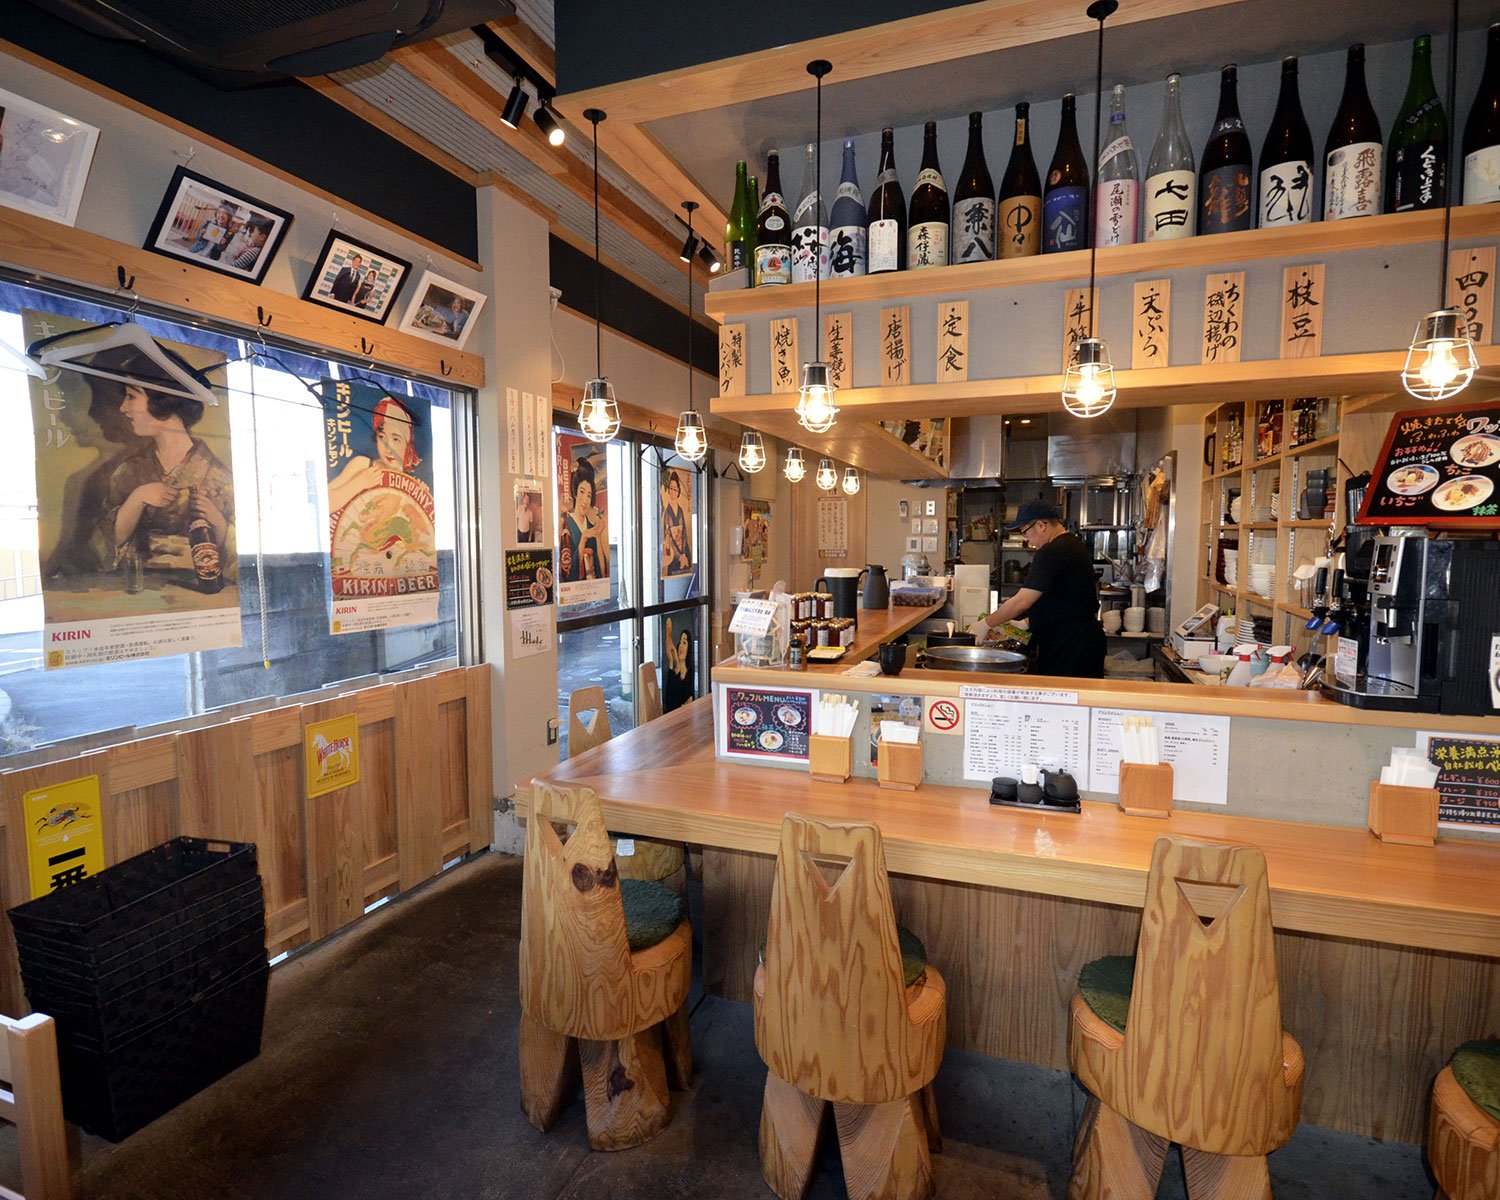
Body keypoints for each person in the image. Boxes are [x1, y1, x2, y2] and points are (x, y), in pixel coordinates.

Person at [100, 351, 234, 584]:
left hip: (199, 588)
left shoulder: (218, 476)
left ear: (162, 399)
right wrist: (137, 499)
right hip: (139, 587)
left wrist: (219, 523)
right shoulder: (128, 471)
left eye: (131, 396)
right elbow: (110, 543)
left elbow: (235, 556)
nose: (123, 408)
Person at [968, 500, 1105, 678]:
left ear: (1041, 525)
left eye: (1024, 532)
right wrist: (1026, 623)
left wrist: (986, 624)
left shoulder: (1052, 551)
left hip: (1070, 647)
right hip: (1081, 642)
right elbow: (1063, 598)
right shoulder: (1071, 544)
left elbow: (1022, 601)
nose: (1026, 539)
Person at [327, 395, 420, 517]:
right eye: (382, 437)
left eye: (396, 439)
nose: (388, 448)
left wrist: (418, 497)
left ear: (407, 444)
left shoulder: (408, 481)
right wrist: (358, 483)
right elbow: (327, 501)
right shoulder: (363, 465)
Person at [561, 457, 608, 582]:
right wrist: (583, 539)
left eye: (589, 495)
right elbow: (567, 571)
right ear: (575, 493)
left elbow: (602, 572)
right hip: (575, 590)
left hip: (592, 589)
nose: (585, 501)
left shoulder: (591, 527)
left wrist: (598, 536)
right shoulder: (566, 526)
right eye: (582, 492)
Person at [660, 469, 690, 577]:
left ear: (678, 491)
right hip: (674, 554)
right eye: (671, 488)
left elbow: (684, 533)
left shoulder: (680, 510)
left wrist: (684, 553)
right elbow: (668, 536)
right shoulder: (667, 512)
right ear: (668, 490)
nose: (673, 491)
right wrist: (679, 556)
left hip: (683, 550)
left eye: (675, 488)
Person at [662, 616, 693, 713]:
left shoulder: (689, 673)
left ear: (689, 648)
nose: (681, 646)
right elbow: (669, 704)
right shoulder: (673, 672)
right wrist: (673, 662)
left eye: (684, 642)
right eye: (680, 643)